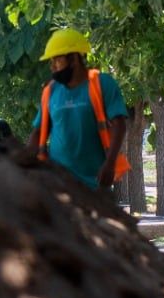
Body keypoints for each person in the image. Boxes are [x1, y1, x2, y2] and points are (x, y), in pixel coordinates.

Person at [27, 28, 129, 191]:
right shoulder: (50, 91)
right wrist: (28, 165)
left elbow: (119, 124)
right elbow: (37, 132)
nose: (52, 66)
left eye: (57, 60)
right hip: (58, 183)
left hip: (95, 184)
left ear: (74, 59)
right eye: (51, 61)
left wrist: (110, 164)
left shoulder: (102, 84)